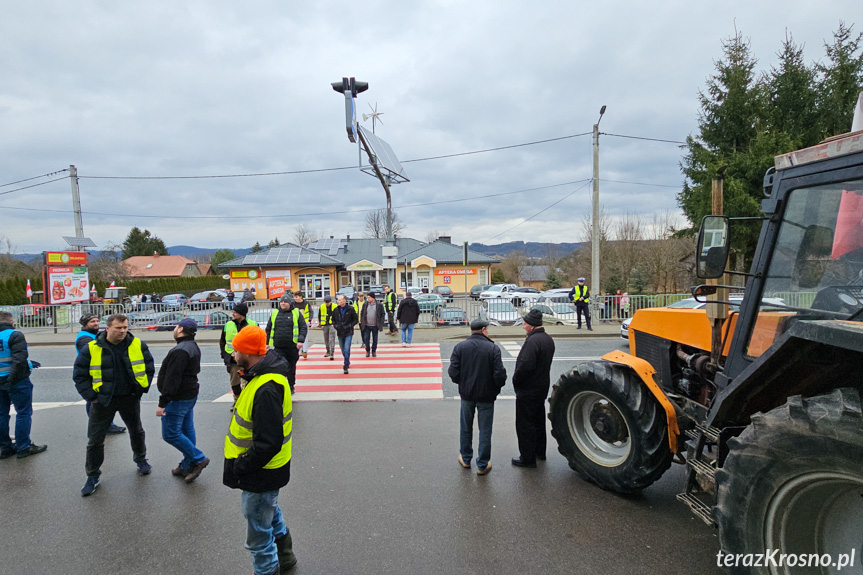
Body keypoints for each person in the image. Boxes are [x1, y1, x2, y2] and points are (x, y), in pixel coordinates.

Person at [223, 326, 297, 575]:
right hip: (267, 468)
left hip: (260, 470)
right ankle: (286, 557)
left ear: (249, 352)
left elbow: (268, 442)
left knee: (258, 537)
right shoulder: (263, 375)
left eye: (236, 349)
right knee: (270, 511)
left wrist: (242, 465)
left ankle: (268, 569)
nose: (233, 354)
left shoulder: (265, 387)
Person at [73, 314, 156, 496]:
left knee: (137, 431)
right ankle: (93, 475)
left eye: (125, 327)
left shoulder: (137, 344)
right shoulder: (92, 348)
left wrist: (141, 389)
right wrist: (91, 397)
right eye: (118, 328)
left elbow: (149, 367)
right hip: (103, 401)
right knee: (95, 440)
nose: (123, 331)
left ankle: (141, 460)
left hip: (129, 397)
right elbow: (80, 375)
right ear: (108, 328)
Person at [448, 319, 506, 476]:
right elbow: (499, 375)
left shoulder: (460, 347)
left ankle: (466, 459)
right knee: (485, 430)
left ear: (471, 330)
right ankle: (482, 464)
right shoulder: (493, 348)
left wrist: (463, 382)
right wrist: (495, 388)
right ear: (484, 330)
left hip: (467, 394)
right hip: (486, 396)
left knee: (466, 427)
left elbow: (453, 372)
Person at [156, 318, 209, 483]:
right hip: (189, 394)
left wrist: (162, 403)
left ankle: (199, 458)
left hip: (178, 398)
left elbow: (172, 379)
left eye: (176, 326)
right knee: (186, 430)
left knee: (170, 434)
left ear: (179, 329)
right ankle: (187, 464)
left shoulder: (180, 350)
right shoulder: (192, 345)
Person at [511, 309, 555, 468]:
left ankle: (527, 458)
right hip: (541, 387)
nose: (523, 326)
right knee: (538, 421)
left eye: (524, 323)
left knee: (525, 424)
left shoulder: (532, 342)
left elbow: (525, 366)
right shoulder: (548, 340)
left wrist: (516, 380)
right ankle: (539, 452)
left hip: (528, 390)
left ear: (531, 325)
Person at [0, 310, 47, 460]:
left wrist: (30, 363)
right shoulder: (14, 335)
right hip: (15, 381)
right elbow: (19, 361)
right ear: (11, 321)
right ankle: (23, 447)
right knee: (23, 413)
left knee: (1, 415)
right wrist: (12, 380)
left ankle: (5, 448)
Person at [77, 313, 127, 435]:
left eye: (97, 321)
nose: (96, 324)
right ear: (85, 324)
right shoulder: (85, 338)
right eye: (92, 322)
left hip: (99, 372)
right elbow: (94, 355)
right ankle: (102, 426)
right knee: (94, 401)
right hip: (94, 373)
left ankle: (106, 425)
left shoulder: (91, 335)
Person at [265, 294, 307, 394]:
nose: (283, 303)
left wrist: (300, 340)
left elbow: (303, 327)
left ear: (289, 303)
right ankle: (281, 385)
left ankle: (291, 385)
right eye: (281, 302)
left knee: (291, 367)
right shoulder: (275, 313)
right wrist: (266, 343)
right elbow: (268, 329)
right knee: (279, 367)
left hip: (292, 346)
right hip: (278, 346)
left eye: (285, 302)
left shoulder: (295, 312)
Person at [220, 302, 258, 410]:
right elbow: (222, 342)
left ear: (242, 313)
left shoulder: (253, 324)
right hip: (233, 360)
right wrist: (224, 355)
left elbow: (258, 342)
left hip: (249, 359)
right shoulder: (228, 325)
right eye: (233, 312)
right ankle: (237, 401)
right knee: (234, 382)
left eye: (235, 312)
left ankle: (248, 402)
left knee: (249, 381)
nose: (233, 314)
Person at [332, 295, 358, 374]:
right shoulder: (336, 310)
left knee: (347, 349)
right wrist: (336, 326)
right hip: (340, 332)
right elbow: (333, 320)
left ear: (344, 301)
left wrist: (350, 325)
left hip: (348, 332)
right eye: (338, 300)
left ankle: (345, 365)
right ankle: (347, 359)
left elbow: (355, 319)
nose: (338, 301)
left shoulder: (350, 309)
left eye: (339, 300)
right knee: (343, 349)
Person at [359, 292, 385, 358]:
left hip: (375, 325)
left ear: (373, 298)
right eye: (367, 297)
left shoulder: (378, 305)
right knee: (366, 339)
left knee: (375, 339)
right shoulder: (365, 304)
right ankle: (367, 350)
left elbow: (382, 314)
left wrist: (381, 322)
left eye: (369, 297)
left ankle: (374, 351)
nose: (368, 299)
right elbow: (362, 313)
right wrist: (362, 321)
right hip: (367, 325)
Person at [292, 293, 313, 359]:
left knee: (305, 337)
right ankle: (298, 350)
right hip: (296, 322)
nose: (295, 298)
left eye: (296, 297)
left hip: (305, 322)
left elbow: (311, 311)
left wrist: (309, 320)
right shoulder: (293, 303)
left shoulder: (306, 303)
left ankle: (304, 351)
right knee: (296, 336)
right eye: (294, 297)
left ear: (300, 297)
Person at [318, 295, 336, 360]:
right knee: (326, 339)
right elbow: (319, 315)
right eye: (326, 302)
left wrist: (335, 324)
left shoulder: (334, 306)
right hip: (324, 324)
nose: (327, 304)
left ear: (330, 302)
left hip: (332, 325)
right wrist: (320, 323)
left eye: (328, 302)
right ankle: (328, 351)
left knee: (332, 338)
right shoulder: (322, 306)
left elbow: (337, 315)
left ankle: (332, 353)